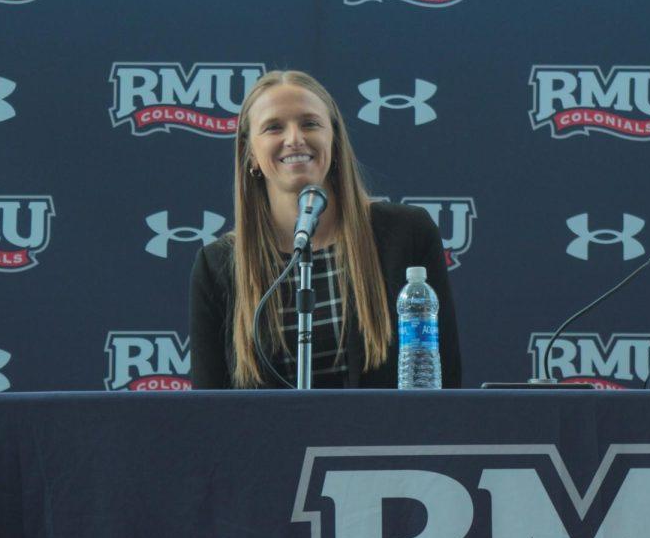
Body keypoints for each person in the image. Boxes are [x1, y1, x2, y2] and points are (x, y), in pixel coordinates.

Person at [189, 70, 461, 388]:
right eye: (274, 127)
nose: (294, 138)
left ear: (333, 138)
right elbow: (209, 411)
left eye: (310, 123)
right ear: (251, 154)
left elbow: (445, 385)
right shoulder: (216, 265)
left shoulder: (406, 234)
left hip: (382, 437)